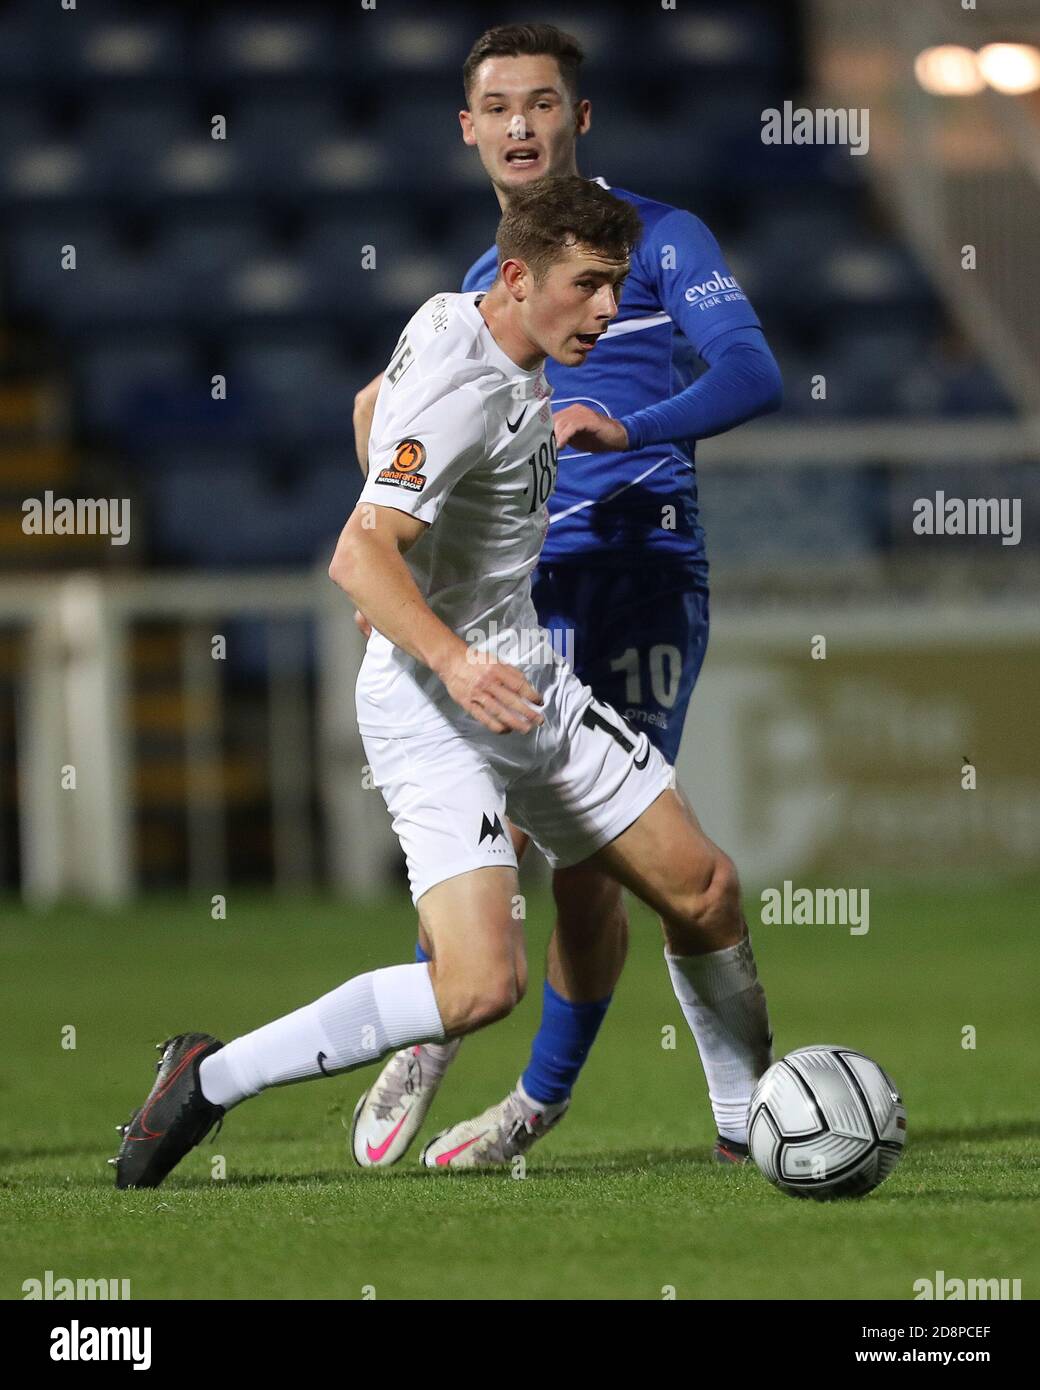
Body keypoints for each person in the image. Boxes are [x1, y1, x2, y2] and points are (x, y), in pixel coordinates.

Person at [111, 176, 772, 1191]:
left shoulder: (452, 314)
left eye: (616, 287)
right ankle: (209, 1076)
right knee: (477, 986)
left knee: (704, 886)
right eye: (589, 287)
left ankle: (746, 1139)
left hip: (523, 676)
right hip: (436, 705)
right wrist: (444, 647)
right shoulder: (468, 394)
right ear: (517, 277)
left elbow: (371, 406)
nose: (608, 310)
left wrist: (423, 584)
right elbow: (356, 552)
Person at [350, 23, 782, 1169]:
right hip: (518, 595)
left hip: (637, 579)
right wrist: (382, 554)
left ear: (577, 119)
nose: (520, 126)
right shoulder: (480, 286)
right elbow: (378, 416)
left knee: (600, 864)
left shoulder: (660, 239)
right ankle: (443, 1013)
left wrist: (629, 423)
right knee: (482, 826)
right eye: (498, 108)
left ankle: (540, 1102)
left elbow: (752, 371)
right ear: (470, 131)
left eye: (542, 103)